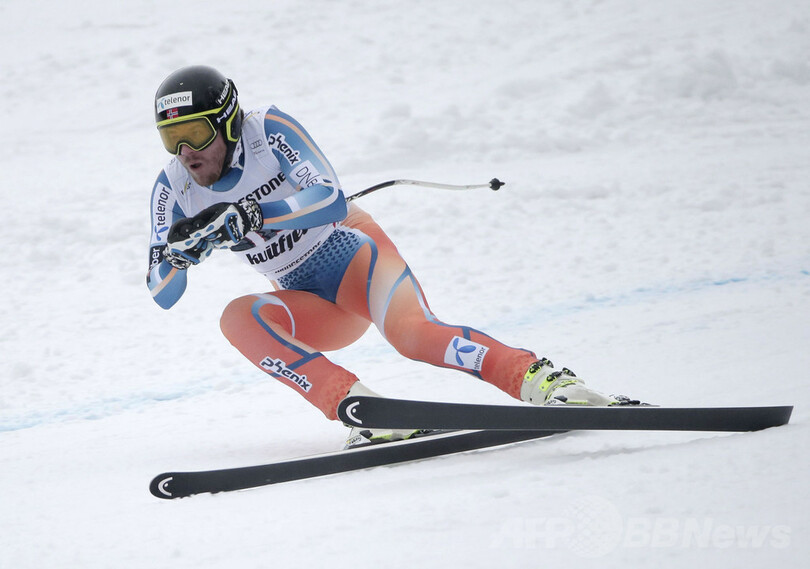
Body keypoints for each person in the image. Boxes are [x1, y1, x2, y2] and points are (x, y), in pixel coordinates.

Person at [147, 65, 637, 448]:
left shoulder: (266, 130)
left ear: (228, 122)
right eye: (173, 139)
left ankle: (546, 383)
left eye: (196, 133)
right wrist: (180, 255)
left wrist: (251, 215)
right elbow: (161, 291)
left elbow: (329, 198)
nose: (187, 151)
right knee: (238, 317)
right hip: (307, 298)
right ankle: (359, 408)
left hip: (350, 253)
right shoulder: (173, 188)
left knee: (413, 336)